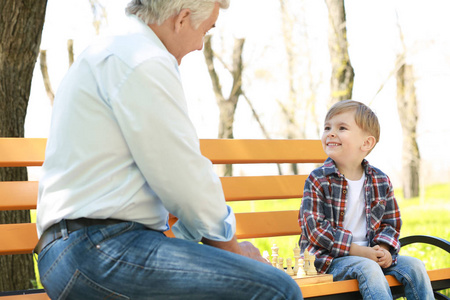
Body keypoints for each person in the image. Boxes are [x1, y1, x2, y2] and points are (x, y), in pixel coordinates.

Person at [35, 1, 302, 299]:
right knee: (276, 289)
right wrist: (233, 251)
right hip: (97, 250)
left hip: (81, 248)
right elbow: (184, 178)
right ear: (183, 19)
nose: (201, 46)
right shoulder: (142, 58)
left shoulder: (114, 49)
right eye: (206, 30)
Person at [298, 100, 433, 299]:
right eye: (327, 127)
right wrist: (360, 252)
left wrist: (384, 250)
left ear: (366, 143)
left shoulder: (380, 180)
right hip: (329, 260)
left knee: (415, 266)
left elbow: (390, 223)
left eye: (342, 128)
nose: (331, 132)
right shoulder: (318, 179)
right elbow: (315, 229)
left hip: (371, 255)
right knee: (368, 268)